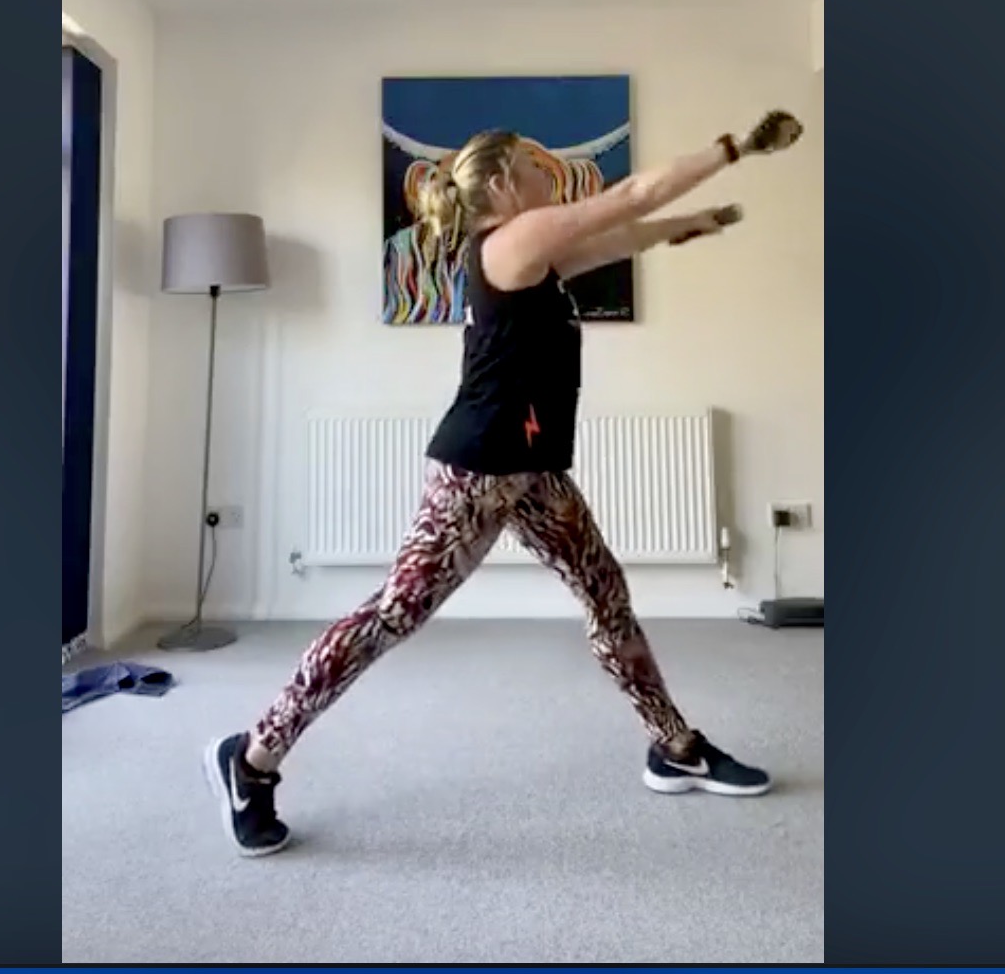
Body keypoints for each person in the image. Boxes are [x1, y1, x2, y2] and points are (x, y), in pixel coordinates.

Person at [205, 110, 807, 857]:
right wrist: (733, 147)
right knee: (393, 615)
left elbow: (624, 236)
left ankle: (674, 746)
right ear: (498, 184)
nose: (544, 173)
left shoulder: (533, 256)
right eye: (529, 165)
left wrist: (695, 224)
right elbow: (630, 197)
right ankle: (252, 757)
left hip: (532, 472)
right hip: (478, 472)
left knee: (605, 594)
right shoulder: (508, 241)